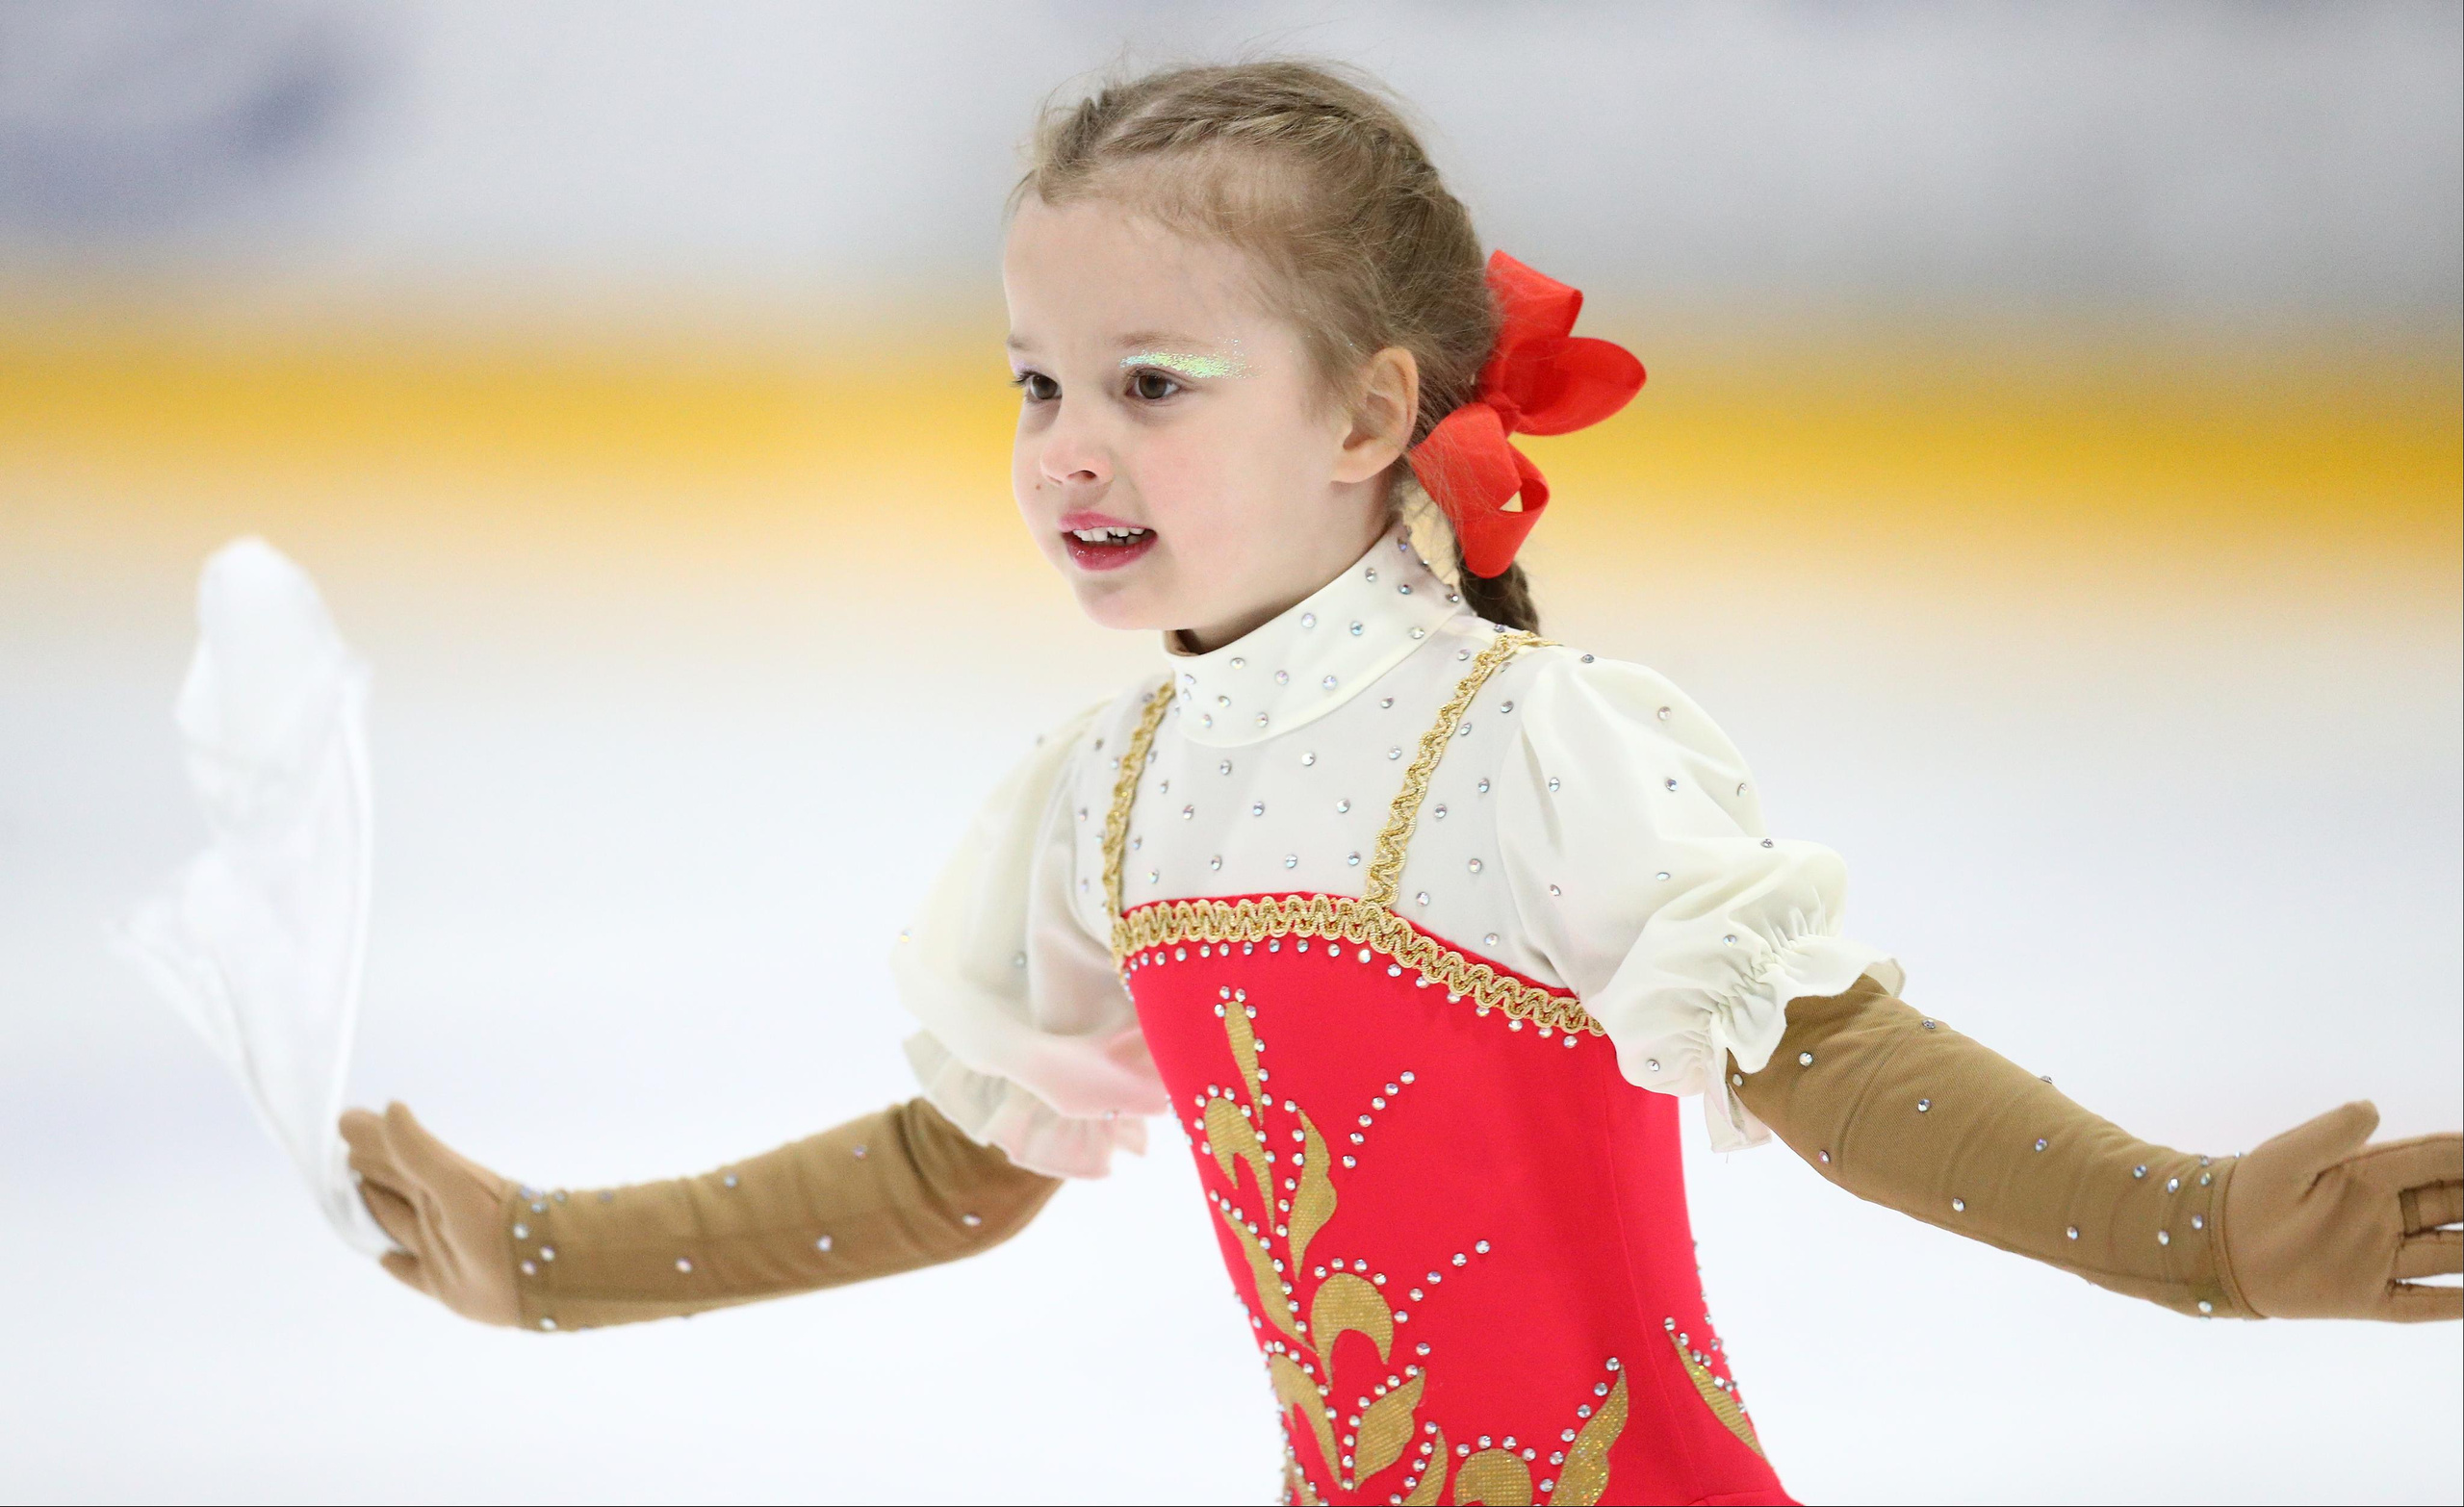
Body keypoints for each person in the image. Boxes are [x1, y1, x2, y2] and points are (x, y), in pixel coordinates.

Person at [341, 60, 2461, 1506]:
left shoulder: (1528, 750)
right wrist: (556, 1253)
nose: (1067, 445)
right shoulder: (1110, 796)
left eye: (1150, 386)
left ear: (1368, 411)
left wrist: (2183, 1228)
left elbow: (1827, 1058)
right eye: (1037, 384)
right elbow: (953, 1163)